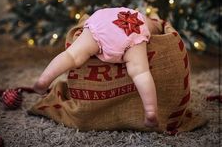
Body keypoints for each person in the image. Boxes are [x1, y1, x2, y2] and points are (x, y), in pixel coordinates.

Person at [33, 7, 161, 127]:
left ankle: (43, 81)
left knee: (71, 56)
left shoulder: (124, 11)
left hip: (100, 24)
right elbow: (157, 28)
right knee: (140, 73)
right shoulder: (148, 23)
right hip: (133, 33)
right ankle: (150, 111)